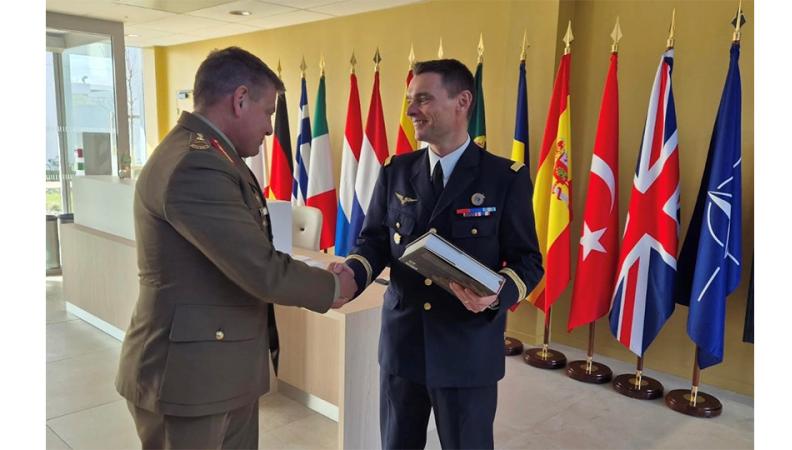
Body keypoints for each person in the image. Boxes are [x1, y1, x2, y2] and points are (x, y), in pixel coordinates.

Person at [115, 46, 356, 449]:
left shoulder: (214, 155)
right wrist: (333, 288)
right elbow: (258, 267)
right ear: (239, 99)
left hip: (219, 369)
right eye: (267, 113)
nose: (268, 128)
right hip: (189, 381)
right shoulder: (195, 164)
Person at [330, 59, 543, 449]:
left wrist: (497, 294)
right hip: (403, 346)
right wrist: (351, 276)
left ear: (462, 101)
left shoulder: (504, 178)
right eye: (411, 99)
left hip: (467, 349)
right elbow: (374, 241)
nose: (411, 110)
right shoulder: (396, 170)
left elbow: (528, 261)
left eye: (423, 99)